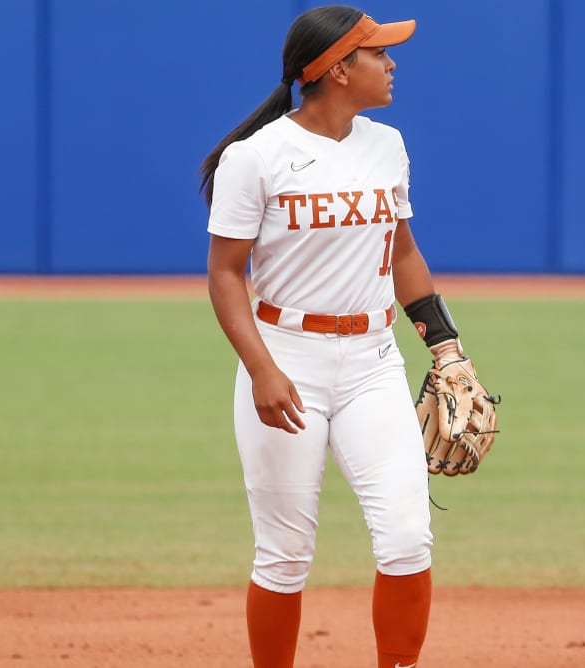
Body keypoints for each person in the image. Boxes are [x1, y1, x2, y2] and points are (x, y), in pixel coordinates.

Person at [200, 6, 478, 667]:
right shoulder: (256, 158)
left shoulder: (387, 145)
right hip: (286, 358)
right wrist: (262, 369)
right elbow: (224, 274)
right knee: (285, 552)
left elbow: (402, 253)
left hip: (372, 362)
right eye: (378, 52)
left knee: (409, 536)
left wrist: (446, 346)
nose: (392, 63)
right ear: (335, 68)